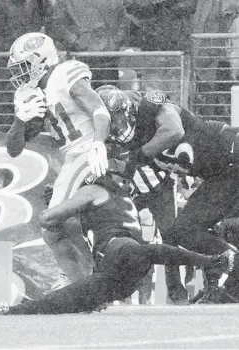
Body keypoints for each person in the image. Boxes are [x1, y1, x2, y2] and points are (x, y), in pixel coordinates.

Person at [0, 168, 236, 315]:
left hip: (119, 253)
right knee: (72, 300)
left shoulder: (92, 191)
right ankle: (13, 312)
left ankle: (211, 261)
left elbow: (48, 219)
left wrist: (57, 202)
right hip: (122, 277)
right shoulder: (120, 199)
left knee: (138, 252)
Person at [96, 85, 239, 304]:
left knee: (206, 228)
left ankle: (227, 288)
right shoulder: (129, 143)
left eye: (116, 120)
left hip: (232, 151)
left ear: (125, 109)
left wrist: (140, 155)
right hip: (221, 176)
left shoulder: (150, 108)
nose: (115, 128)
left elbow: (174, 131)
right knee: (185, 230)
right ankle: (230, 277)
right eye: (110, 124)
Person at [5, 32, 112, 285]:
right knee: (53, 232)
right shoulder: (31, 93)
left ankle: (102, 276)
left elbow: (99, 108)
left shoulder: (64, 74)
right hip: (71, 157)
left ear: (40, 59)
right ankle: (80, 285)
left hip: (87, 151)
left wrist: (98, 143)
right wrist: (20, 118)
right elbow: (13, 149)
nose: (20, 73)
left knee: (53, 221)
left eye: (23, 66)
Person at [49, 0, 131, 89]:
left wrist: (114, 42)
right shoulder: (66, 2)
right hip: (81, 58)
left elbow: (124, 20)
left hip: (107, 58)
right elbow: (58, 25)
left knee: (109, 94)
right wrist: (77, 43)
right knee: (83, 94)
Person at [0, 0, 53, 107]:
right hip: (7, 68)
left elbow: (51, 25)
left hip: (33, 66)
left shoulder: (40, 3)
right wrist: (18, 52)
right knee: (4, 109)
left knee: (35, 108)